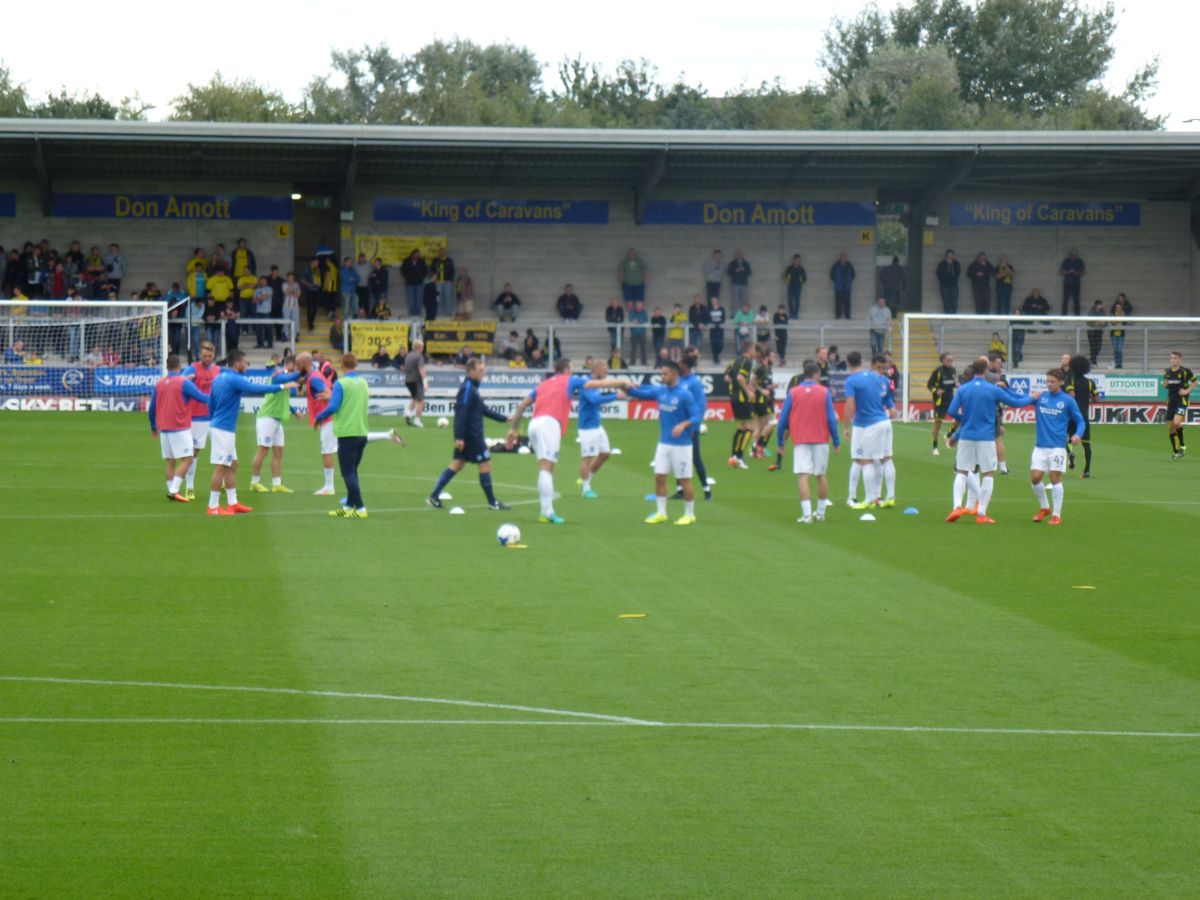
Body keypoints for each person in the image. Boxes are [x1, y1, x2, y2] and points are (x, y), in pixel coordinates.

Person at [506, 359, 605, 524]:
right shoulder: (569, 380)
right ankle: (547, 512)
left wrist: (513, 429)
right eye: (571, 368)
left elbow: (522, 405)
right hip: (549, 424)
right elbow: (592, 383)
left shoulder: (543, 384)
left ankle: (545, 511)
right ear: (566, 369)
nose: (572, 372)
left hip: (534, 424)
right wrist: (622, 384)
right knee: (547, 468)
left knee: (545, 468)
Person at [945, 358, 1037, 524]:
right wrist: (1032, 398)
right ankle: (981, 514)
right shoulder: (992, 389)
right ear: (986, 370)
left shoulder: (964, 389)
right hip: (986, 437)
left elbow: (951, 410)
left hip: (966, 435)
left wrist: (964, 419)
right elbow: (1016, 402)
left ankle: (957, 507)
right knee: (988, 473)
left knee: (962, 471)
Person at [204, 349, 293, 516]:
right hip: (223, 429)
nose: (247, 365)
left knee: (232, 464)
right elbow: (256, 388)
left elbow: (211, 403)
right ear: (238, 363)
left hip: (221, 427)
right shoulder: (235, 379)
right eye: (246, 362)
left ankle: (233, 503)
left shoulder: (219, 378)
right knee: (222, 466)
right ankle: (213, 506)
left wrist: (214, 420)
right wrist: (281, 386)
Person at [619, 360, 702, 526]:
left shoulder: (685, 395)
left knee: (685, 480)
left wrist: (684, 424)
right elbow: (642, 393)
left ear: (674, 374)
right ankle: (661, 513)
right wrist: (627, 386)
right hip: (663, 444)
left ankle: (690, 514)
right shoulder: (661, 391)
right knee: (659, 478)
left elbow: (697, 416)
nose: (662, 377)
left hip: (682, 445)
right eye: (661, 374)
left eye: (665, 374)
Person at [427, 357, 513, 511]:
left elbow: (483, 410)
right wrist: (459, 437)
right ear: (470, 371)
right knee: (485, 463)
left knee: (457, 465)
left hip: (468, 435)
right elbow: (461, 413)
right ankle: (493, 503)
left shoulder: (472, 388)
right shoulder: (467, 388)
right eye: (480, 370)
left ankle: (434, 496)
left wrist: (505, 419)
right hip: (471, 436)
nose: (483, 373)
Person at [777, 360, 841, 523]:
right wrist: (836, 440)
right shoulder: (824, 392)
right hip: (821, 439)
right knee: (821, 475)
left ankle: (807, 515)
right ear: (817, 374)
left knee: (803, 476)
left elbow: (783, 419)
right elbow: (831, 419)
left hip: (801, 439)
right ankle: (820, 514)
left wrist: (780, 441)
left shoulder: (793, 392)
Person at [314, 353, 374, 518]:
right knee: (353, 471)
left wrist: (318, 418)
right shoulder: (363, 383)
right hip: (362, 432)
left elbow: (333, 406)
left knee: (347, 473)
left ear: (342, 366)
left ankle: (360, 509)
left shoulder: (341, 383)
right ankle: (349, 506)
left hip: (347, 433)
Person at [148, 354, 210, 502]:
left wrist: (153, 427)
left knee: (170, 461)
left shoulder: (160, 383)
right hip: (180, 427)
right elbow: (201, 397)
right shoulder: (184, 383)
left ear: (167, 366)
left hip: (164, 429)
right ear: (179, 366)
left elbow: (151, 408)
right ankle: (174, 490)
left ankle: (171, 489)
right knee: (188, 459)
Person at [1030, 368, 1086, 525]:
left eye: (1052, 382)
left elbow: (1080, 421)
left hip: (1058, 446)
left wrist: (1077, 435)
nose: (1049, 384)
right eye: (1047, 381)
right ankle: (1044, 508)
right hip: (1040, 445)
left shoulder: (1068, 400)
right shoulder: (1040, 397)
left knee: (1055, 477)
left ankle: (1056, 515)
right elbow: (1020, 400)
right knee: (1035, 478)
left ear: (1061, 382)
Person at [842, 352, 896, 509]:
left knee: (863, 460)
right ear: (863, 361)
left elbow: (850, 404)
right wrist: (892, 408)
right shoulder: (879, 378)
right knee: (885, 458)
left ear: (848, 363)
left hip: (867, 423)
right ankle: (887, 496)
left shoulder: (852, 380)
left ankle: (867, 499)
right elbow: (886, 396)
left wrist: (845, 427)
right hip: (884, 421)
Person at [249, 356, 303, 494]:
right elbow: (284, 381)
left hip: (277, 419)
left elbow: (283, 397)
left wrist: (294, 411)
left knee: (279, 451)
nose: (297, 369)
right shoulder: (279, 375)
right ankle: (254, 482)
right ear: (289, 364)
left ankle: (276, 484)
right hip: (267, 418)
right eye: (296, 366)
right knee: (263, 450)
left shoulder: (286, 377)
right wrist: (304, 371)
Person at [181, 340, 221, 499]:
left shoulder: (218, 370)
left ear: (214, 355)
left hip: (217, 417)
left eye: (210, 356)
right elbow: (180, 382)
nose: (207, 358)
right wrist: (187, 379)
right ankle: (189, 486)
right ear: (200, 355)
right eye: (204, 355)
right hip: (197, 417)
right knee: (194, 452)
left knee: (223, 451)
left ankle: (222, 483)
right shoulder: (192, 369)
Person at [575, 360, 620, 498]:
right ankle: (585, 488)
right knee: (587, 458)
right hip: (587, 426)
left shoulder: (594, 384)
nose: (606, 373)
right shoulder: (587, 384)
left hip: (597, 425)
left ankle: (586, 479)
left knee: (605, 454)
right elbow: (595, 400)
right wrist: (616, 396)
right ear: (597, 370)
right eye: (605, 370)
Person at [725, 342, 758, 469]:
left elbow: (727, 378)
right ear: (750, 350)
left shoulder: (735, 360)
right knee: (750, 427)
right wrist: (748, 391)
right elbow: (739, 377)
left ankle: (734, 456)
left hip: (734, 397)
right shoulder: (747, 361)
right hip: (742, 398)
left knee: (741, 427)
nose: (755, 352)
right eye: (754, 349)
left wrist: (736, 389)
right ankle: (739, 457)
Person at [1065, 354, 1099, 477]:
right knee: (1086, 444)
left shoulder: (1071, 380)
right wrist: (1088, 395)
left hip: (1072, 415)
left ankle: (1069, 453)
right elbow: (1097, 399)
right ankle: (1087, 471)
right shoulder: (1090, 382)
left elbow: (1071, 394)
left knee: (1064, 439)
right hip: (1084, 416)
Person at [1164, 351, 1196, 459]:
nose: (1173, 360)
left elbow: (1195, 382)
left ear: (1180, 360)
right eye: (1171, 358)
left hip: (1181, 401)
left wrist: (1187, 391)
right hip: (1171, 401)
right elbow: (1165, 385)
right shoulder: (1167, 371)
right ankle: (1176, 451)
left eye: (1175, 358)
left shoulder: (1185, 371)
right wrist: (1165, 383)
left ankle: (1182, 445)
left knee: (1176, 422)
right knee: (1170, 428)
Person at [927, 352, 957, 455]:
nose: (950, 362)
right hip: (939, 402)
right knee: (938, 424)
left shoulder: (953, 371)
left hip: (950, 400)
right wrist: (936, 390)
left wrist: (956, 384)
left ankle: (948, 435)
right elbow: (929, 385)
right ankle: (935, 447)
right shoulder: (937, 372)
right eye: (948, 360)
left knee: (959, 419)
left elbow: (951, 383)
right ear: (943, 360)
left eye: (952, 361)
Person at [1012, 288, 1049, 366]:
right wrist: (1032, 306)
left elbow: (1047, 308)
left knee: (1018, 346)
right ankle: (1017, 358)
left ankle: (1018, 357)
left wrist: (1040, 307)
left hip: (1040, 314)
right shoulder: (1028, 300)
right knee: (1016, 347)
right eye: (1034, 292)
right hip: (1030, 314)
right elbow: (1025, 308)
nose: (1036, 294)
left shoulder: (1042, 300)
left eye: (1037, 292)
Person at [404, 339, 427, 427]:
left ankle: (408, 414)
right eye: (422, 347)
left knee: (414, 398)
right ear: (420, 347)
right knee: (420, 401)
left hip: (408, 381)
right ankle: (417, 421)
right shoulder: (419, 356)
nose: (423, 349)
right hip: (416, 381)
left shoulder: (408, 355)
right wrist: (425, 382)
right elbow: (422, 369)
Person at [400, 249, 428, 317]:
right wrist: (407, 277)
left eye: (418, 255)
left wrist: (421, 276)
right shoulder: (406, 261)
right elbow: (403, 270)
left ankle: (418, 312)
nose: (417, 256)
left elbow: (425, 270)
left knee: (418, 298)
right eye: (416, 255)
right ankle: (412, 312)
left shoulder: (421, 261)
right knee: (411, 298)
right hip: (410, 283)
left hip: (419, 282)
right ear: (412, 255)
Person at [430, 247, 455, 318]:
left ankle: (448, 312)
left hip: (447, 281)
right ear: (438, 253)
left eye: (443, 252)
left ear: (445, 253)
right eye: (441, 252)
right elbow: (431, 270)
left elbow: (452, 270)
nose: (442, 253)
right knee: (438, 297)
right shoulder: (435, 260)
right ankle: (438, 312)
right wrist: (434, 277)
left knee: (448, 297)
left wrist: (451, 279)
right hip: (438, 281)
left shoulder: (449, 260)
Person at [830, 251, 855, 319]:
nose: (844, 258)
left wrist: (849, 282)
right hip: (839, 287)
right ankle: (838, 316)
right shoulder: (836, 265)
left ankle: (847, 316)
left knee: (847, 302)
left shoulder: (850, 265)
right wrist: (837, 282)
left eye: (845, 257)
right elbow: (832, 276)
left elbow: (853, 275)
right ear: (840, 257)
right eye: (843, 257)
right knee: (838, 302)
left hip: (847, 287)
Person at [1060, 249, 1085, 316]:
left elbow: (1083, 272)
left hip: (1076, 283)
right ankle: (1064, 315)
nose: (1073, 257)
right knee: (1065, 299)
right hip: (1067, 283)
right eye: (1072, 255)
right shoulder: (1066, 261)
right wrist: (1068, 272)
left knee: (1076, 300)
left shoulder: (1079, 261)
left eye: (1074, 256)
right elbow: (1062, 271)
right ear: (1070, 255)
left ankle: (1077, 315)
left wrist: (1076, 272)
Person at [935, 249, 961, 315]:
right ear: (946, 256)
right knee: (946, 300)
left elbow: (958, 272)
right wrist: (943, 280)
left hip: (954, 285)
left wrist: (955, 279)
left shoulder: (956, 263)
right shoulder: (942, 264)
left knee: (954, 300)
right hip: (945, 285)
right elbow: (938, 273)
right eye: (949, 255)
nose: (951, 256)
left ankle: (953, 314)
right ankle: (947, 314)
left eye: (952, 255)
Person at [783, 254, 807, 319]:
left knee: (797, 301)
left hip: (798, 287)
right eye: (796, 260)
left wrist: (801, 280)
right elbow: (785, 277)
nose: (797, 261)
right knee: (790, 300)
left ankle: (796, 314)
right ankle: (791, 313)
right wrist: (787, 280)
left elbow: (805, 279)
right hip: (791, 286)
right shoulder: (789, 268)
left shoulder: (801, 269)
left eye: (799, 260)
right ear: (793, 260)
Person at [627, 300, 649, 366]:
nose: (639, 307)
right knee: (633, 348)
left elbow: (645, 320)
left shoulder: (644, 312)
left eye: (640, 305)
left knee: (643, 348)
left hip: (642, 332)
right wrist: (637, 321)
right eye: (637, 305)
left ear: (642, 306)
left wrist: (638, 320)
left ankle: (644, 362)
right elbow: (631, 319)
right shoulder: (632, 312)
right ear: (635, 306)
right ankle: (632, 362)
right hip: (634, 332)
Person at [1085, 300, 1106, 365]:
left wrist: (1102, 323)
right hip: (1091, 332)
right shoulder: (1091, 312)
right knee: (1092, 346)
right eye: (1099, 305)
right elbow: (1088, 322)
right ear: (1096, 305)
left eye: (1101, 305)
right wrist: (1096, 322)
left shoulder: (1103, 312)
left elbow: (1106, 322)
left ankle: (1092, 358)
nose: (1101, 306)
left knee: (1098, 347)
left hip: (1099, 331)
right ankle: (1094, 360)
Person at [1110, 296, 1128, 368]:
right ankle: (1116, 362)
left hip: (1121, 334)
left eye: (1119, 307)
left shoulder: (1124, 314)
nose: (1118, 308)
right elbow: (1113, 323)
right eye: (1117, 307)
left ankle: (1119, 363)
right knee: (1115, 349)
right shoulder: (1113, 314)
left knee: (1119, 349)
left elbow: (1125, 322)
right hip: (1114, 334)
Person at [707, 296, 726, 364]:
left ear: (717, 301)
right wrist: (713, 323)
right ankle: (715, 357)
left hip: (720, 329)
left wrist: (717, 323)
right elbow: (709, 318)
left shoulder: (721, 309)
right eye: (712, 301)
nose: (714, 302)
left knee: (720, 344)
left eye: (715, 301)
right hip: (713, 329)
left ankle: (717, 355)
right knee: (713, 343)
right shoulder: (710, 309)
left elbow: (723, 318)